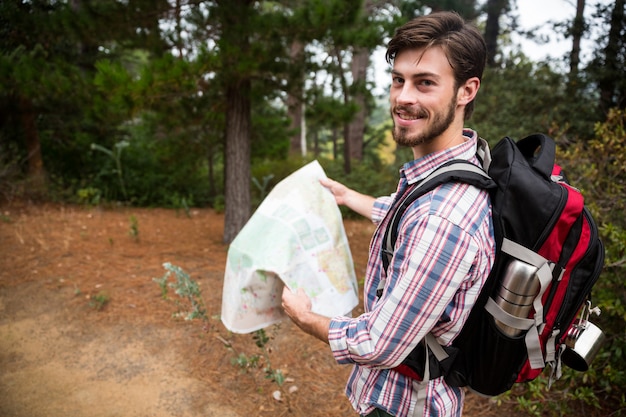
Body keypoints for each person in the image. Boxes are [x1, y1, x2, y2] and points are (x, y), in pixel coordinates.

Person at [282, 11, 495, 417]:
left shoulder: (442, 219)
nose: (403, 98)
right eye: (399, 80)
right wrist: (350, 197)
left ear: (466, 91)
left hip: (404, 408)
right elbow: (406, 219)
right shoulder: (453, 168)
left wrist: (305, 317)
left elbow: (379, 343)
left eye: (425, 83)